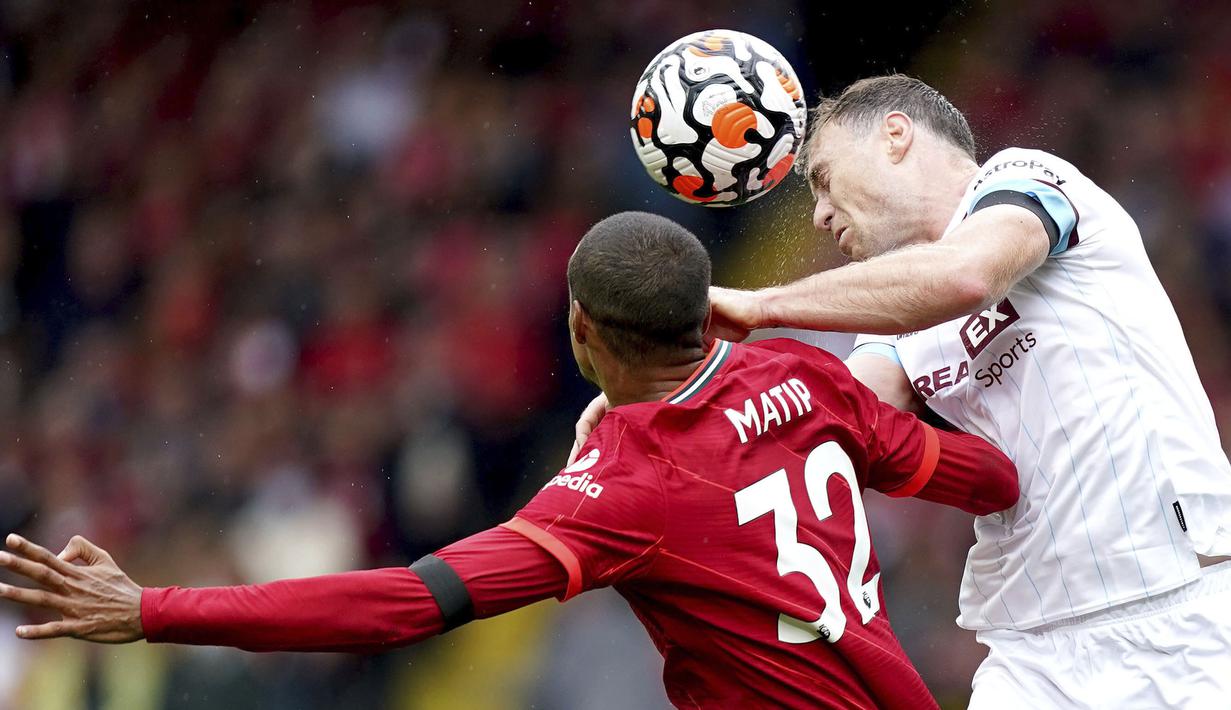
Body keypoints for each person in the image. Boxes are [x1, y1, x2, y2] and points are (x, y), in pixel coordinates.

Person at [0, 212, 1018, 709]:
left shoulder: (626, 486)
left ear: (581, 332)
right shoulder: (803, 371)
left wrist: (154, 608)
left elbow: (405, 601)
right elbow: (985, 480)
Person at [572, 75, 1231, 707]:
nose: (821, 214)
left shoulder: (1025, 179)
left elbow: (967, 275)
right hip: (1034, 645)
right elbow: (813, 425)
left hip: (1179, 605)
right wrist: (657, 396)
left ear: (894, 134)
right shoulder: (893, 338)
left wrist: (760, 304)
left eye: (824, 181)